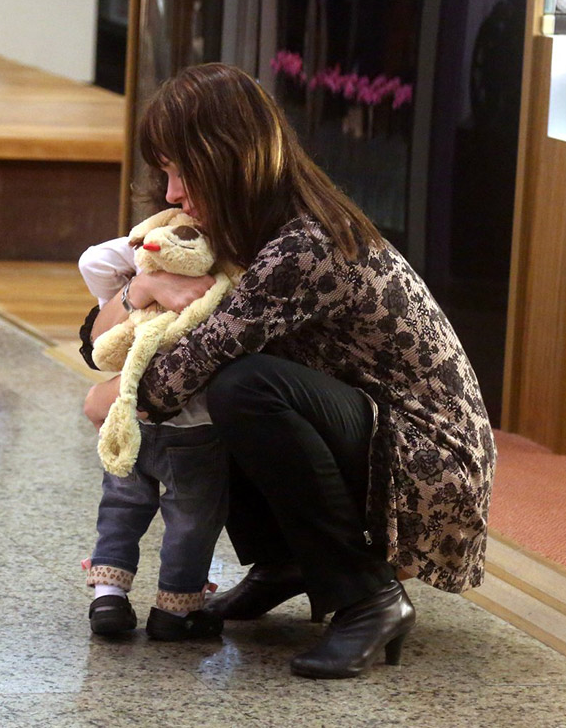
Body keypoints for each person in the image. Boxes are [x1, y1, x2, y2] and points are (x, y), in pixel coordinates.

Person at [82, 62, 496, 679]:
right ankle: (284, 562)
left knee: (242, 387)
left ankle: (368, 597)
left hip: (428, 458)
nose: (170, 193)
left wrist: (113, 390)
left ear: (230, 158)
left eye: (183, 170)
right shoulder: (233, 226)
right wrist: (145, 288)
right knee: (233, 384)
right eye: (164, 171)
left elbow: (173, 379)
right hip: (368, 429)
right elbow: (94, 337)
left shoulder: (305, 243)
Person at [77, 234, 228, 641]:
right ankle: (176, 611)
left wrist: (144, 268)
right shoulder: (228, 274)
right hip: (197, 429)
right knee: (191, 521)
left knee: (121, 507)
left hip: (129, 423)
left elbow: (94, 260)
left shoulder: (149, 254)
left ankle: (107, 596)